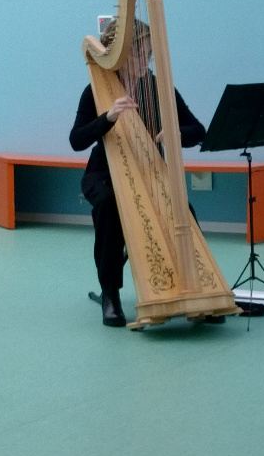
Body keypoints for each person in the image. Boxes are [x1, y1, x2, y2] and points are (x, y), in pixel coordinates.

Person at [69, 26, 209, 326]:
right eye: (140, 53)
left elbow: (198, 130)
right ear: (119, 56)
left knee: (183, 209)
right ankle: (110, 294)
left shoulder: (159, 88)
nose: (146, 60)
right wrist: (108, 117)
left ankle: (196, 290)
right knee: (109, 206)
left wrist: (176, 133)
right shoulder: (96, 90)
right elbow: (76, 140)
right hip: (103, 174)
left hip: (150, 172)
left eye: (149, 54)